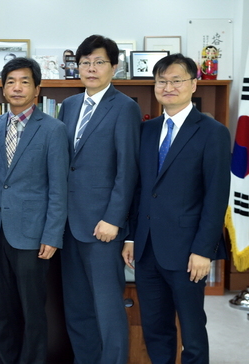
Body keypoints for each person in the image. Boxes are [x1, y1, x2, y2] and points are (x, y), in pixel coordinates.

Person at [122, 53, 230, 364]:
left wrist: (203, 250)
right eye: (162, 81)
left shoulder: (213, 132)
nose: (168, 86)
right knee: (156, 328)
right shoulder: (147, 130)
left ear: (193, 84)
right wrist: (131, 237)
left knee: (193, 331)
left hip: (187, 252)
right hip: (146, 249)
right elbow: (139, 189)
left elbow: (215, 196)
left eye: (176, 80)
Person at [0, 57, 68, 364]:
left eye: (24, 82)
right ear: (2, 89)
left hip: (33, 234)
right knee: (1, 308)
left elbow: (58, 187)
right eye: (11, 82)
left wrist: (53, 235)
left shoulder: (53, 129)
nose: (17, 88)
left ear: (37, 88)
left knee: (32, 309)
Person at [57, 34, 141, 364]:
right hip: (68, 225)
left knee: (108, 311)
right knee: (77, 309)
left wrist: (115, 219)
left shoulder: (125, 108)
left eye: (99, 62)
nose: (91, 68)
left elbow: (128, 171)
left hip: (103, 227)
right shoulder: (69, 105)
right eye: (85, 62)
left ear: (114, 67)